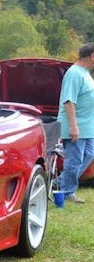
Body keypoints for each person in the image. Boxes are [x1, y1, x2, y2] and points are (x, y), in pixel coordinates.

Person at [57, 42, 94, 204]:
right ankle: (66, 192)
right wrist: (73, 126)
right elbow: (69, 101)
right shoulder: (74, 74)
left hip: (88, 127)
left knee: (89, 155)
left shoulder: (86, 73)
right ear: (93, 56)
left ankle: (60, 183)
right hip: (76, 126)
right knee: (74, 160)